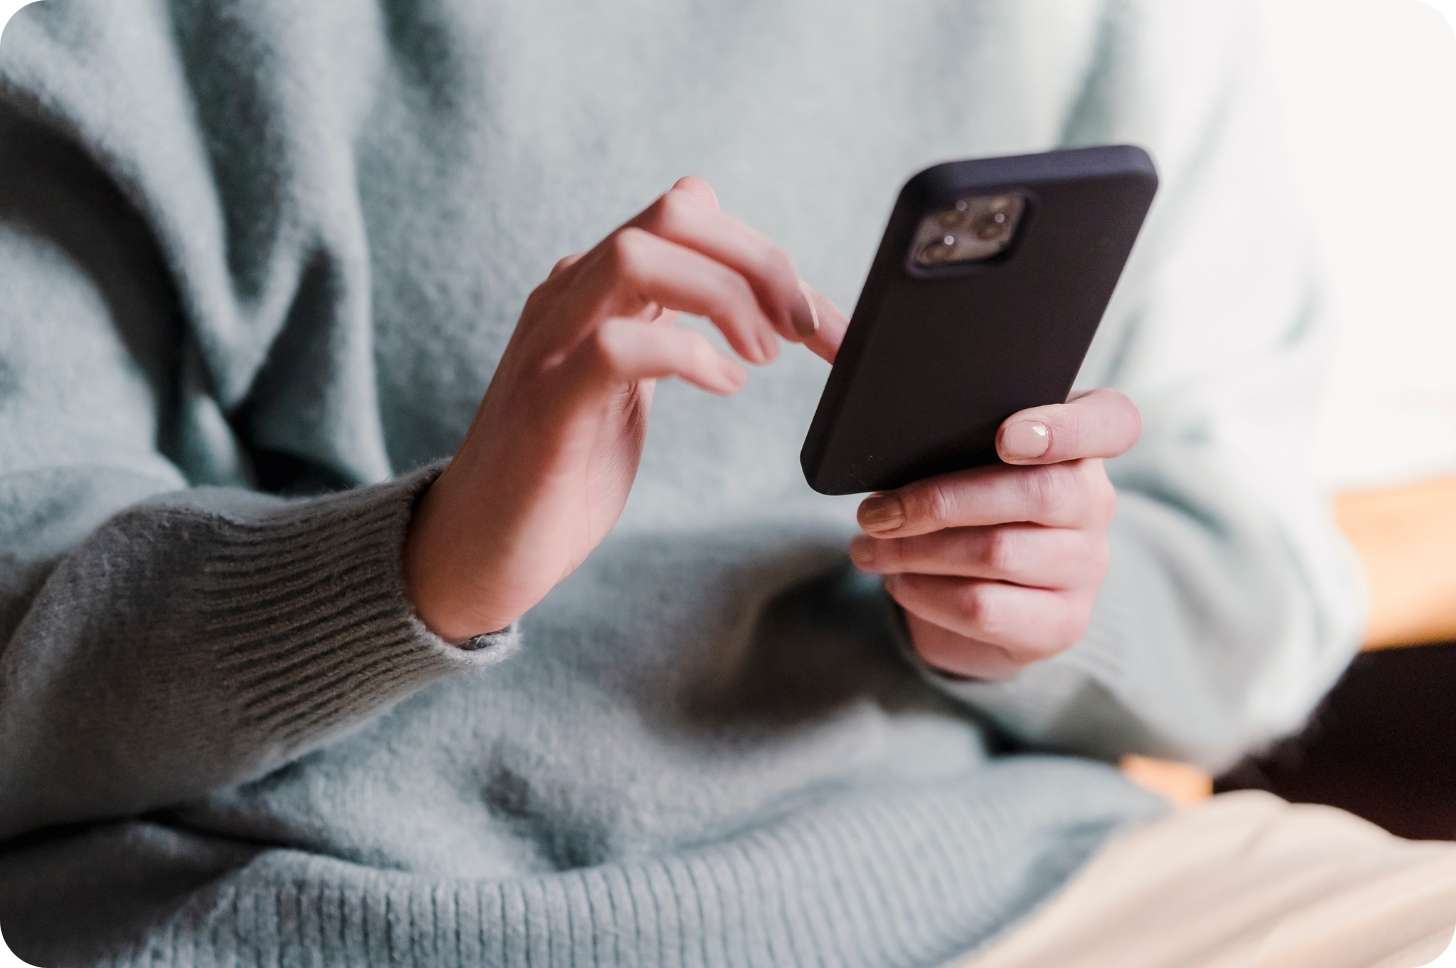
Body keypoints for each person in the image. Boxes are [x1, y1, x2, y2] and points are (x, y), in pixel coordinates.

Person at [1, 1, 1444, 966]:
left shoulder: (1108, 26)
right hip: (372, 917)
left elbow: (1264, 593)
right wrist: (422, 564)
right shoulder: (174, 39)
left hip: (1020, 893)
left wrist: (1052, 603)